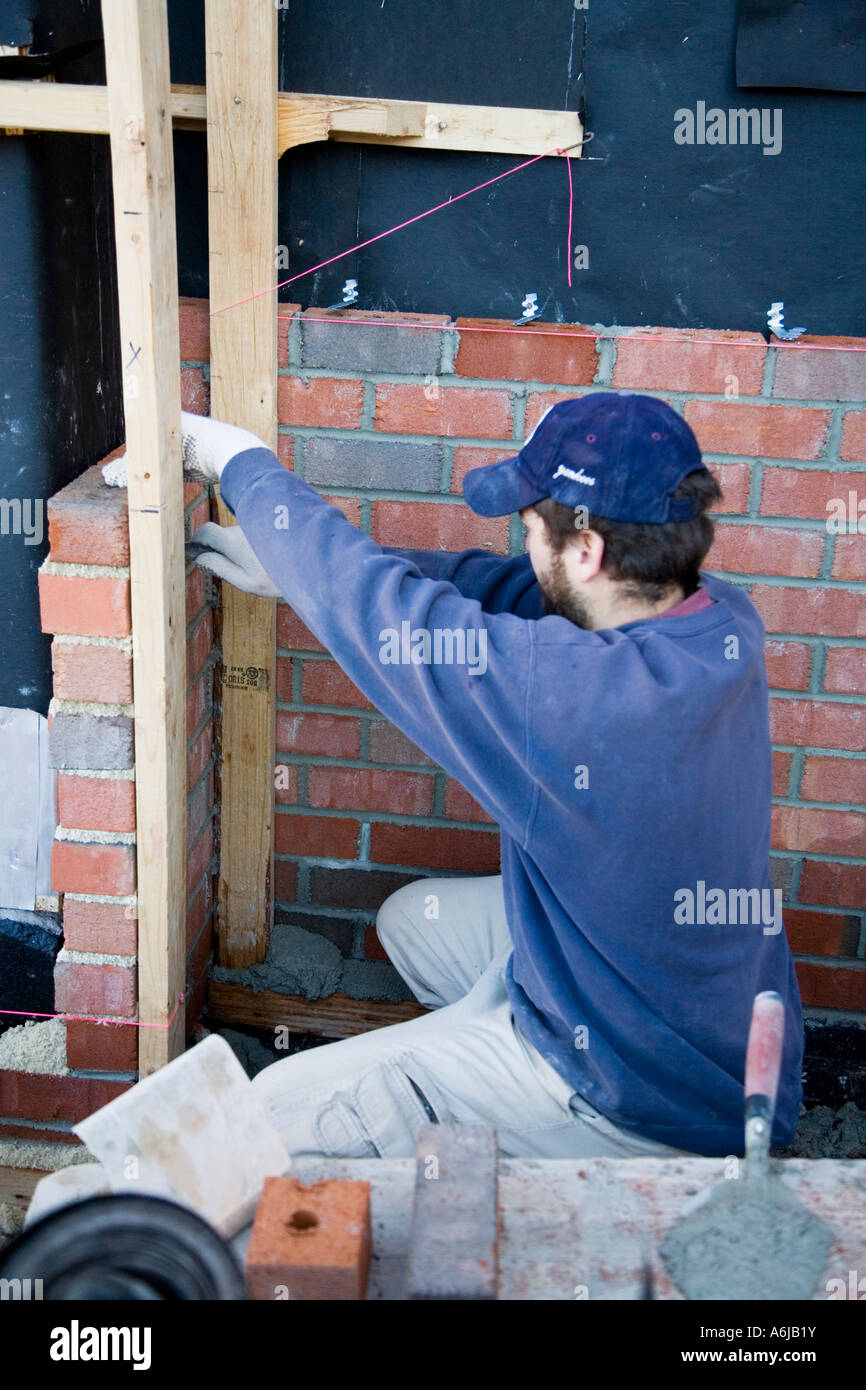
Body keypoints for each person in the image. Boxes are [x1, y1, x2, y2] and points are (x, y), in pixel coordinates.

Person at [182, 392, 804, 1161]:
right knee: (415, 925)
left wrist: (237, 462)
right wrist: (294, 573)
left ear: (587, 551)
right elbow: (510, 592)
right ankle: (499, 1044)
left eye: (533, 526)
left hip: (642, 1096)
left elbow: (398, 624)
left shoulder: (577, 697)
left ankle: (563, 1135)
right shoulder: (719, 620)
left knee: (264, 1121)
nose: (525, 541)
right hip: (707, 1021)